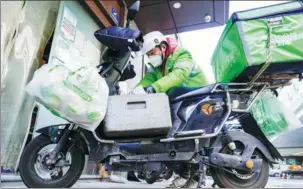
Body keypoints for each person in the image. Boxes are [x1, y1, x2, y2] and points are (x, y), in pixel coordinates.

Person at [134, 31, 209, 188]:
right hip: (180, 98)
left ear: (162, 47)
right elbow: (148, 80)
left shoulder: (181, 54)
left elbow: (179, 75)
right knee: (174, 134)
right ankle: (189, 176)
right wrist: (135, 92)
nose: (149, 57)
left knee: (174, 134)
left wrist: (154, 88)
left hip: (196, 95)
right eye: (147, 55)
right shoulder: (158, 66)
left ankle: (188, 174)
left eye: (151, 52)